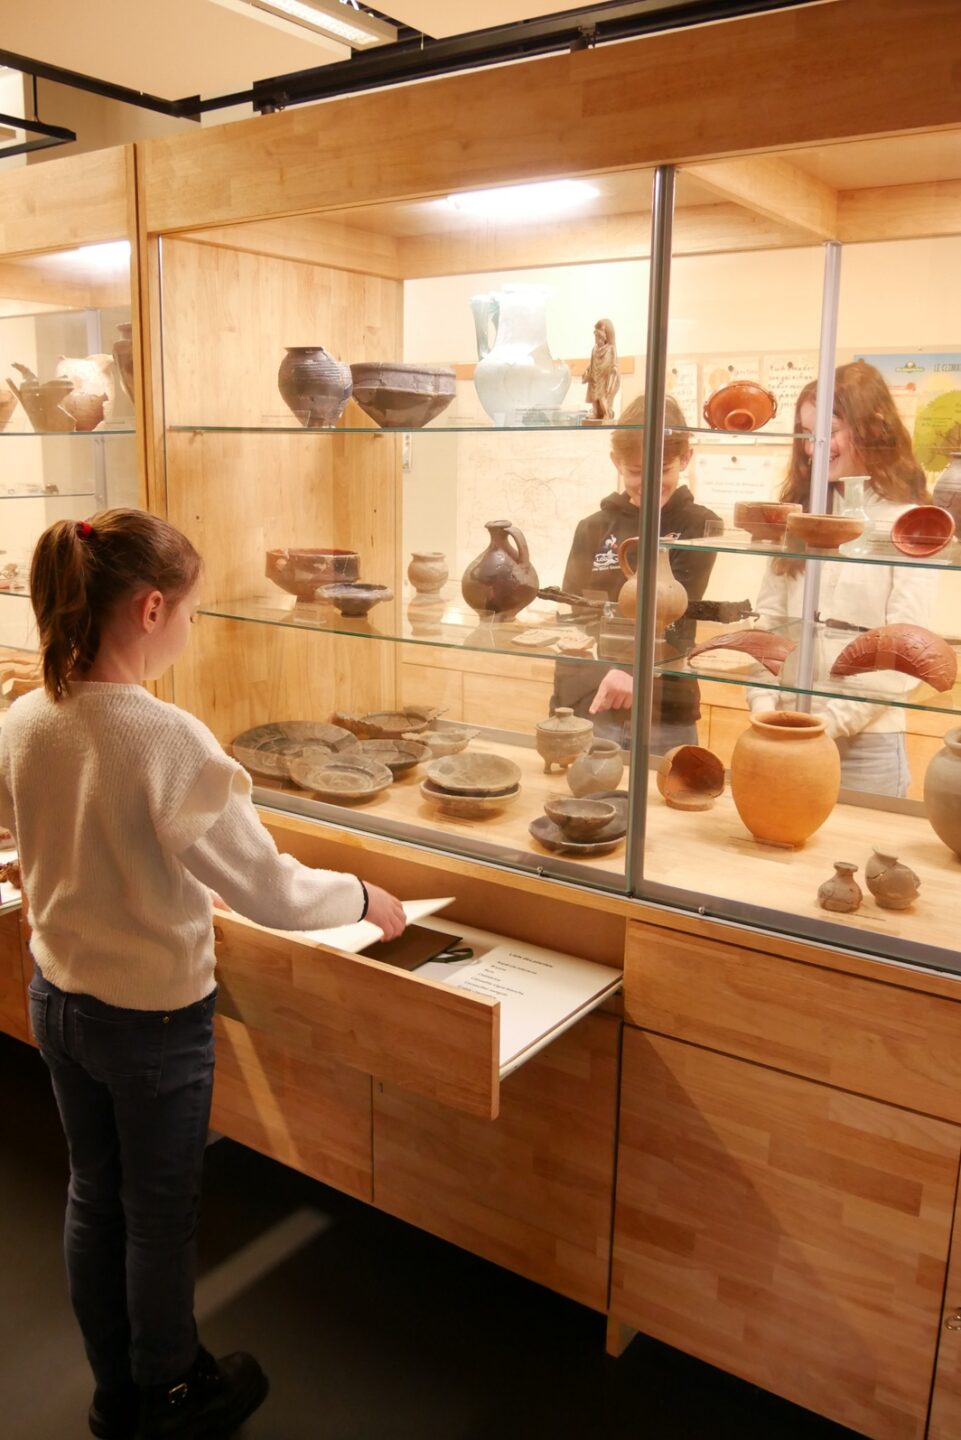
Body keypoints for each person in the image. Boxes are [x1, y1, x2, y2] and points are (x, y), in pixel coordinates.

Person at [0, 510, 406, 1440]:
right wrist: (364, 896)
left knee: (92, 1195)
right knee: (158, 1216)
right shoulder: (167, 738)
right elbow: (273, 891)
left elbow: (34, 824)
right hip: (150, 1022)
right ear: (149, 609)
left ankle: (116, 1393)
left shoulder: (27, 715)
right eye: (190, 611)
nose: (191, 628)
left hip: (57, 999)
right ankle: (176, 1390)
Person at [747, 360, 934, 797]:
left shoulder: (911, 522)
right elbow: (768, 622)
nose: (814, 449)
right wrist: (763, 704)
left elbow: (903, 654)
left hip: (867, 748)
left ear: (871, 428)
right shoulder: (796, 514)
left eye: (828, 432)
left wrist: (825, 724)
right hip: (784, 731)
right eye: (807, 436)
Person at [552, 393, 721, 753]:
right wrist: (610, 674)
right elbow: (579, 616)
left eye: (662, 470)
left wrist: (630, 672)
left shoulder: (700, 525)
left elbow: (670, 611)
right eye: (635, 471)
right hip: (592, 702)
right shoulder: (592, 528)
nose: (647, 482)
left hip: (665, 711)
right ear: (616, 461)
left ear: (685, 457)